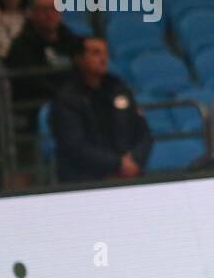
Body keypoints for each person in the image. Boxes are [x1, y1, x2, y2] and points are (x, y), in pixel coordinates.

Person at [50, 35, 152, 184]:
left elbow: (143, 132)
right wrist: (117, 164)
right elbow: (74, 147)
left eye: (105, 53)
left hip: (128, 175)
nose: (103, 59)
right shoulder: (67, 99)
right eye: (96, 53)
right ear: (79, 59)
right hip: (85, 181)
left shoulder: (118, 88)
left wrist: (134, 160)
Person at [3, 0, 82, 112]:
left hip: (73, 101)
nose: (50, 14)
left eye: (54, 9)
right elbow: (33, 84)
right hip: (40, 108)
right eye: (44, 10)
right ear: (31, 13)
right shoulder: (21, 47)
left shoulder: (72, 40)